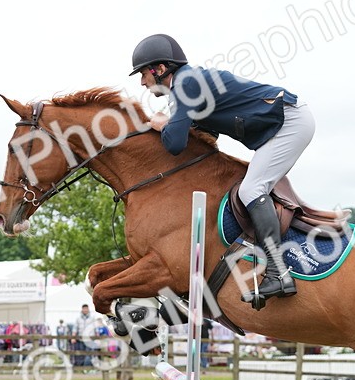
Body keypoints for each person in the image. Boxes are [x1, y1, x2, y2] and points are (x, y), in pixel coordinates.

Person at [131, 33, 314, 304]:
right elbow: (206, 138)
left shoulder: (186, 84)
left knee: (252, 189)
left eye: (143, 74)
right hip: (283, 123)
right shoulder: (188, 83)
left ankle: (278, 273)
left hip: (289, 123)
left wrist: (162, 124)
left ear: (159, 69)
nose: (142, 82)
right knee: (250, 188)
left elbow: (175, 143)